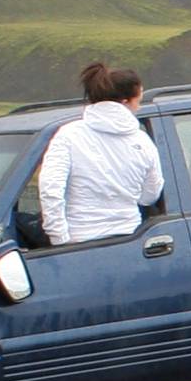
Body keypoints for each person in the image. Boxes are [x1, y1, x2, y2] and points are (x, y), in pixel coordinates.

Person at [37, 61, 165, 244]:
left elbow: (51, 189)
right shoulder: (143, 141)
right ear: (126, 101)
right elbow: (150, 195)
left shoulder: (68, 135)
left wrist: (58, 238)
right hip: (131, 237)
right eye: (140, 97)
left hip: (79, 239)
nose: (140, 105)